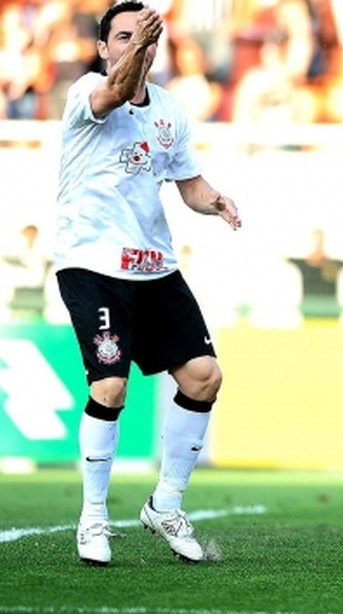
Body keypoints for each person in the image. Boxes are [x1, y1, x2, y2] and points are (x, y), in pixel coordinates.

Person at [53, 2, 241, 566]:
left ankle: (165, 504)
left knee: (205, 377)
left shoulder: (169, 110)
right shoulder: (86, 94)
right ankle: (92, 519)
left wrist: (215, 202)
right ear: (105, 47)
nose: (141, 45)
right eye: (127, 37)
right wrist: (135, 54)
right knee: (110, 388)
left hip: (153, 266)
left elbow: (188, 183)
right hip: (92, 264)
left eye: (148, 36)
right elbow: (114, 93)